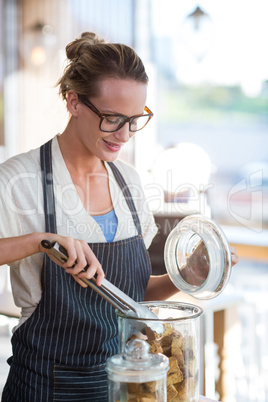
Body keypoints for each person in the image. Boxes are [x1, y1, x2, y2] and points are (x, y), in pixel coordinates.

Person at [0, 32, 239, 401]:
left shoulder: (128, 181)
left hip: (123, 384)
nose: (125, 134)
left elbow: (128, 295)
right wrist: (41, 241)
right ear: (74, 101)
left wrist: (188, 275)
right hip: (45, 387)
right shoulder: (19, 178)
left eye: (134, 119)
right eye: (112, 118)